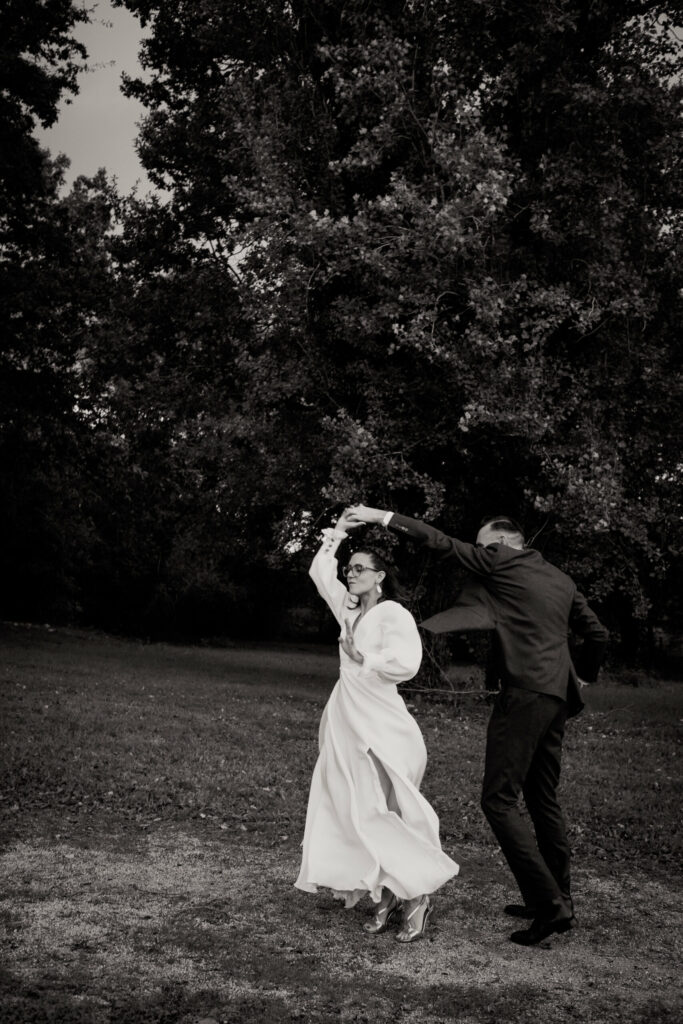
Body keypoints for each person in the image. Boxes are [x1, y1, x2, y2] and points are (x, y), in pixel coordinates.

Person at [346, 505, 609, 946]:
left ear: (504, 544)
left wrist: (379, 516)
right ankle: (556, 895)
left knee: (498, 801)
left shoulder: (501, 559)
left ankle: (552, 906)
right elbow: (598, 634)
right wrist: (585, 674)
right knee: (542, 799)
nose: (481, 557)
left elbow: (440, 542)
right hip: (558, 697)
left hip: (523, 696)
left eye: (485, 547)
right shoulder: (561, 579)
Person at [294, 508, 459, 942]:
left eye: (360, 569)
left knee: (385, 807)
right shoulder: (348, 610)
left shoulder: (393, 615)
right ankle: (383, 890)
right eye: (350, 568)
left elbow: (408, 663)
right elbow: (318, 572)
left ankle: (417, 893)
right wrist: (336, 536)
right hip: (346, 718)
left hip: (383, 722)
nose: (351, 574)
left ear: (380, 576)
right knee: (352, 804)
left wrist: (368, 658)